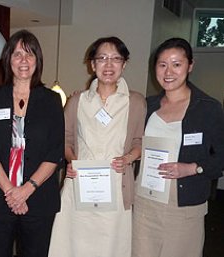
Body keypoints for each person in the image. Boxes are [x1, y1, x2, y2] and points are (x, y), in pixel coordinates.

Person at [48, 37, 146, 257]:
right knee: (74, 246)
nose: (108, 65)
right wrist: (71, 159)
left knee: (111, 248)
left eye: (115, 59)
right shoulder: (77, 101)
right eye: (102, 58)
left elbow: (140, 141)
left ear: (124, 63)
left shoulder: (136, 102)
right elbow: (65, 139)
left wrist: (129, 158)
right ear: (92, 65)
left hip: (117, 188)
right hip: (80, 187)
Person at [132, 38, 224, 257]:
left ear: (190, 65)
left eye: (176, 64)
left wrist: (193, 168)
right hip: (145, 201)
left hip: (183, 206)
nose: (168, 71)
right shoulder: (148, 106)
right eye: (162, 64)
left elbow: (221, 155)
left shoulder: (207, 108)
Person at [0, 30, 64, 257]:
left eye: (29, 54)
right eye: (17, 54)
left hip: (39, 199)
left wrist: (26, 190)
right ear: (8, 60)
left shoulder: (52, 100)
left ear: (38, 60)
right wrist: (11, 192)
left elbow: (55, 152)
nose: (23, 60)